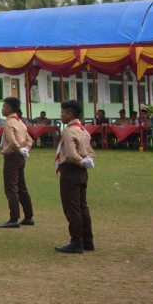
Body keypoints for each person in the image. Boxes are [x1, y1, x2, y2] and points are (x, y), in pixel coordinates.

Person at [54, 99, 95, 254]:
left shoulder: (69, 131)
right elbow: (90, 150)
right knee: (82, 206)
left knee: (72, 208)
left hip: (71, 170)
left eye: (63, 113)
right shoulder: (84, 130)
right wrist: (87, 161)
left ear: (69, 114)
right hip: (82, 171)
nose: (61, 116)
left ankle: (76, 241)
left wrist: (79, 161)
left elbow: (71, 154)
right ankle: (87, 240)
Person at [0, 96, 35, 229]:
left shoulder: (8, 122)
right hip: (20, 157)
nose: (2, 109)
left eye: (4, 107)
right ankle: (28, 216)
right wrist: (25, 149)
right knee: (21, 186)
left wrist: (18, 148)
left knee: (11, 187)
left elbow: (12, 141)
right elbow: (30, 139)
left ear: (9, 108)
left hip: (12, 157)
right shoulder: (21, 122)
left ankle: (14, 218)